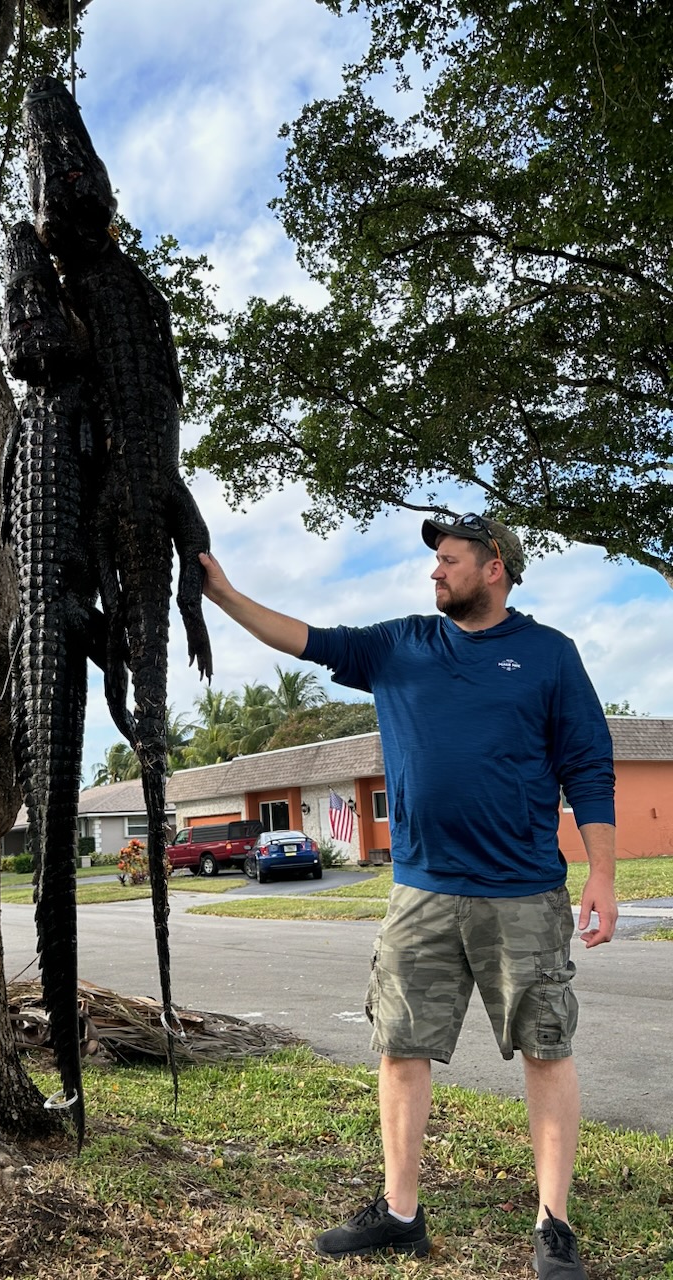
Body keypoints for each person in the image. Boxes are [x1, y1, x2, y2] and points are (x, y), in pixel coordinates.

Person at [198, 513, 616, 1278]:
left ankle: (553, 1226)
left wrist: (603, 874)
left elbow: (589, 766)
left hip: (523, 892)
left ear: (494, 568)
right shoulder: (400, 646)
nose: (434, 574)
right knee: (399, 1046)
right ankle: (399, 1214)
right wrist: (224, 594)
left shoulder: (550, 656)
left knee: (545, 1047)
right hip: (421, 891)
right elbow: (305, 638)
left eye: (449, 562)